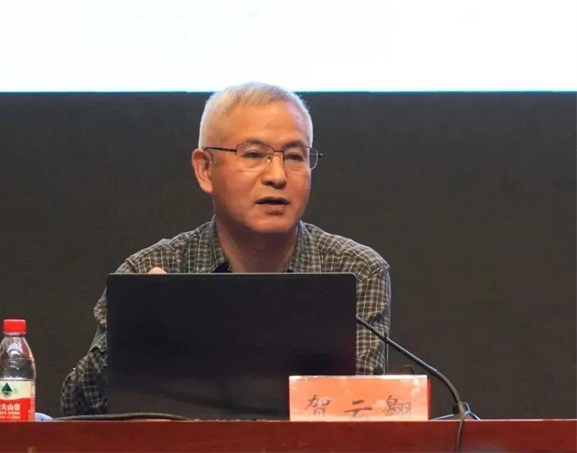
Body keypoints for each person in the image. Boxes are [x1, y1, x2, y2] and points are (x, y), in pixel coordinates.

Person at [61, 82, 391, 416]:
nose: (277, 176)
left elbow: (363, 418)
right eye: (254, 155)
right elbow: (78, 409)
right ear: (205, 169)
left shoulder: (355, 270)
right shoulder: (152, 270)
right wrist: (134, 329)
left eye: (294, 156)